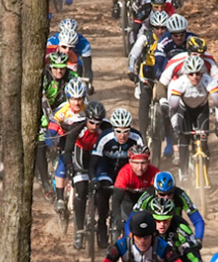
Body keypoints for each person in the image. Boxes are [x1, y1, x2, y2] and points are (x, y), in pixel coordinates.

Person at [93, 109, 145, 247]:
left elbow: (142, 161)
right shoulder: (105, 138)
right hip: (106, 169)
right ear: (113, 129)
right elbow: (94, 162)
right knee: (103, 192)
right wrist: (93, 179)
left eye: (126, 131)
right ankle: (101, 225)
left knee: (128, 197)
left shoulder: (137, 138)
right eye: (119, 131)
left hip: (126, 171)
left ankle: (125, 227)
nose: (122, 135)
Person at [167, 55, 218, 170]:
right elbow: (173, 109)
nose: (195, 77)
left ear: (202, 73)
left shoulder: (209, 81)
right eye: (191, 74)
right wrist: (175, 127)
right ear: (186, 74)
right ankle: (183, 174)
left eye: (198, 73)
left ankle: (205, 174)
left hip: (201, 110)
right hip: (184, 111)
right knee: (183, 141)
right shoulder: (179, 83)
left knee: (203, 142)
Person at [67, 101, 111, 249]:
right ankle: (79, 231)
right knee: (81, 190)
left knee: (101, 192)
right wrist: (69, 166)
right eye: (91, 122)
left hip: (97, 159)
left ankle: (101, 227)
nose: (94, 126)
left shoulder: (107, 127)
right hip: (81, 159)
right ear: (87, 119)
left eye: (98, 123)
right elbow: (68, 150)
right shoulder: (77, 127)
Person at [45, 77, 90, 212]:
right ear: (68, 98)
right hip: (64, 138)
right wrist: (50, 140)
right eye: (74, 99)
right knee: (63, 162)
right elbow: (51, 129)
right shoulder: (62, 110)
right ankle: (59, 198)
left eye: (80, 99)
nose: (77, 102)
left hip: (81, 140)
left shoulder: (87, 109)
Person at [151, 196, 203, 262]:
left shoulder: (180, 226)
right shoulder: (146, 226)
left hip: (176, 261)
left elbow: (194, 253)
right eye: (158, 220)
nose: (162, 224)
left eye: (166, 220)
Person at [131, 171, 205, 241]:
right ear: (156, 192)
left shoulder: (181, 195)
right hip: (152, 229)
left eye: (170, 193)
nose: (166, 197)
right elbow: (131, 219)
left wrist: (198, 239)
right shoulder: (148, 196)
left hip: (175, 229)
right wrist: (130, 235)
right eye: (162, 194)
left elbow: (198, 220)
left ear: (174, 190)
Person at [113, 145, 160, 227]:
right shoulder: (124, 173)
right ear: (130, 162)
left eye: (143, 163)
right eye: (136, 163)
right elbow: (116, 198)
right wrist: (117, 217)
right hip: (128, 201)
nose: (140, 168)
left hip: (146, 202)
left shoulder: (155, 173)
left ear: (148, 162)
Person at [46, 21, 94, 89]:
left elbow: (87, 68)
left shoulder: (83, 43)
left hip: (73, 62)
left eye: (71, 48)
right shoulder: (52, 42)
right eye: (64, 47)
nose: (67, 50)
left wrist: (89, 84)